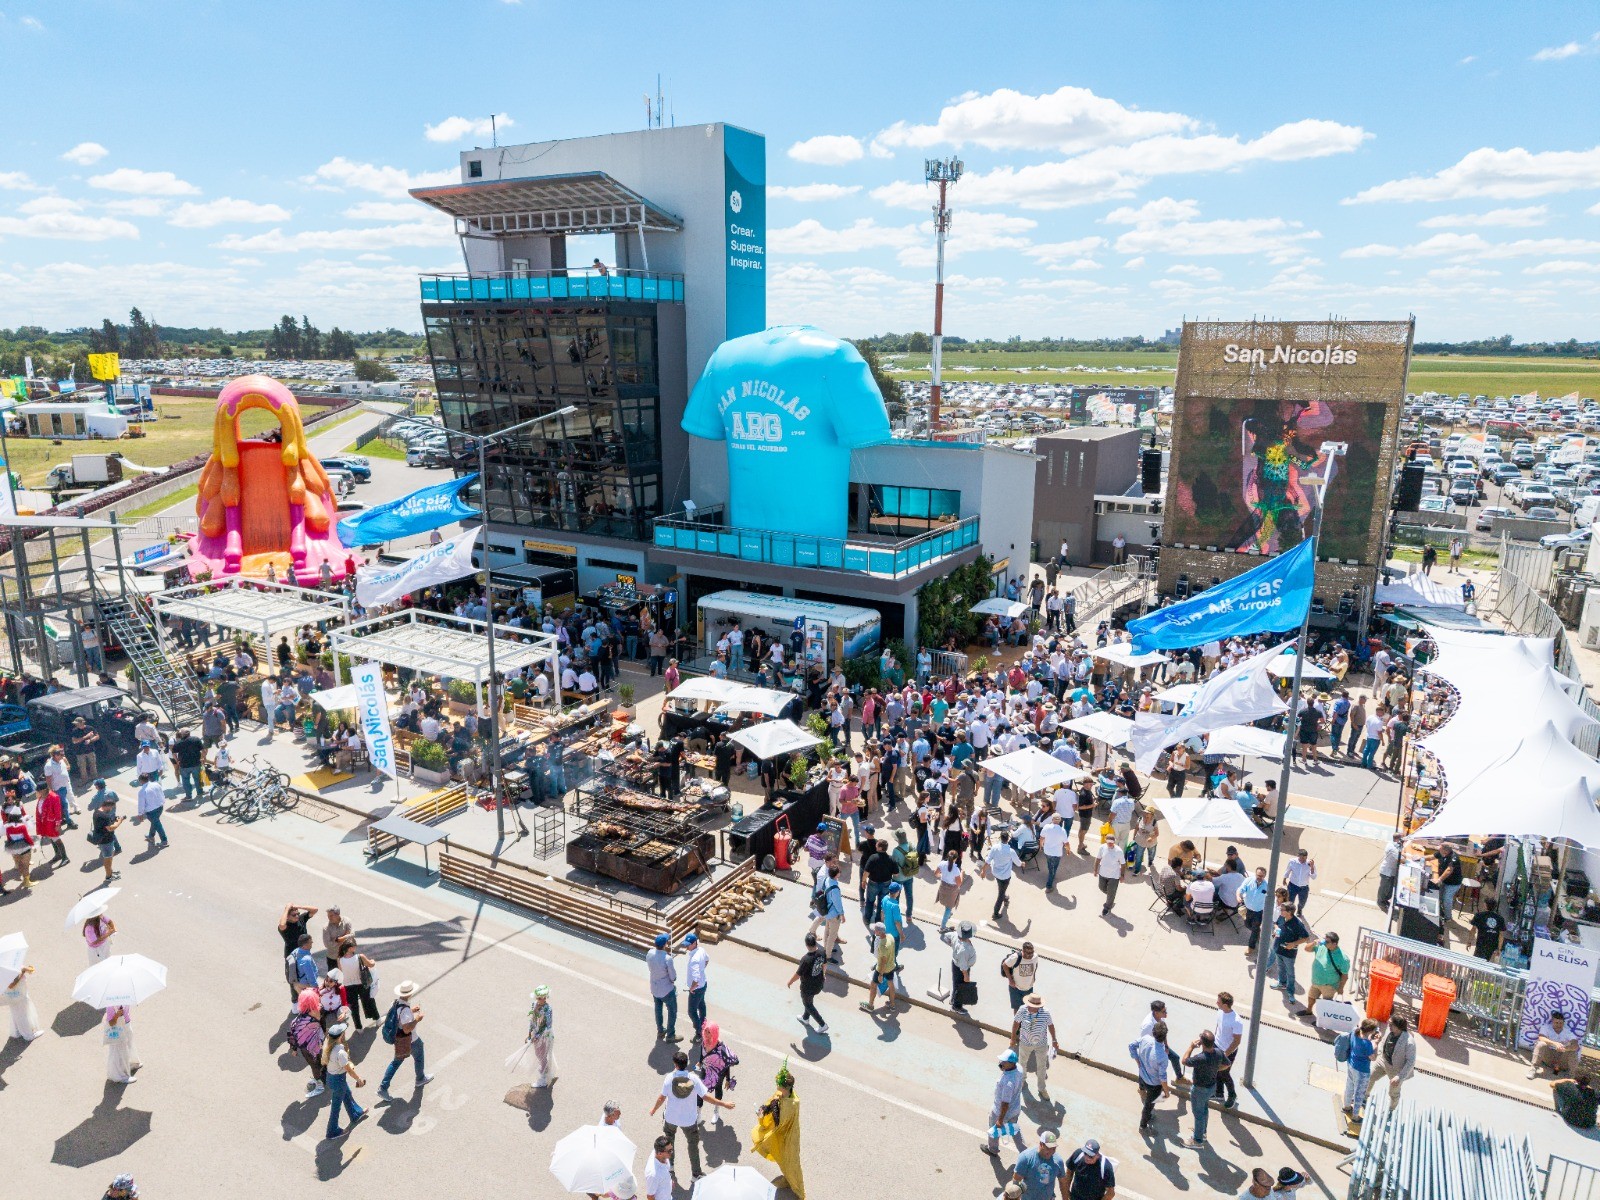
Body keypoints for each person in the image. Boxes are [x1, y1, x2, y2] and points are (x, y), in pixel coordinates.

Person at [650, 1048, 734, 1184]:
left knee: (669, 1144)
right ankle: (696, 1174)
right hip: (689, 1120)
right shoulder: (694, 1079)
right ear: (686, 1063)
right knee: (693, 1145)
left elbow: (661, 1098)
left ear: (675, 1064)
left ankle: (670, 1168)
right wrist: (723, 1104)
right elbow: (706, 1097)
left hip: (671, 1118)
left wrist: (654, 1109)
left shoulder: (670, 1078)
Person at [750, 1061, 803, 1197]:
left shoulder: (792, 1103)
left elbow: (780, 1121)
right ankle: (787, 1179)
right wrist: (765, 1109)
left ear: (785, 1087)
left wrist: (773, 1106)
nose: (776, 1086)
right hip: (780, 1135)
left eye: (778, 1084)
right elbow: (773, 1102)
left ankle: (798, 1189)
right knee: (782, 1160)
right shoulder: (783, 1094)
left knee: (790, 1162)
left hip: (788, 1137)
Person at [378, 980, 434, 1099]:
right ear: (410, 994)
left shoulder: (395, 1003)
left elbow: (398, 1016)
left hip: (399, 1040)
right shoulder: (405, 1010)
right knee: (418, 1055)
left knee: (396, 1062)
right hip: (410, 1041)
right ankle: (420, 1079)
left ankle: (383, 1088)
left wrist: (411, 1011)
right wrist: (417, 1019)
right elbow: (407, 1029)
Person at [1011, 992, 1062, 1101]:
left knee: (1042, 1066)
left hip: (1041, 1044)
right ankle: (1022, 1081)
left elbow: (1051, 1026)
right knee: (1022, 1063)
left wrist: (1054, 1040)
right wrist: (1013, 1038)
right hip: (1025, 1042)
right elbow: (1016, 1023)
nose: (1033, 1008)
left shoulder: (1045, 1013)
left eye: (1036, 1006)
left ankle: (1042, 1088)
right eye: (1031, 1006)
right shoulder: (1022, 1010)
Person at [321, 1021, 367, 1139]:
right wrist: (359, 1079)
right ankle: (332, 1131)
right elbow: (349, 1070)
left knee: (347, 1094)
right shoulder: (340, 1052)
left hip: (331, 1077)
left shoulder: (328, 1046)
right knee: (336, 1107)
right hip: (338, 1080)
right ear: (341, 1036)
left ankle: (355, 1114)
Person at [1183, 1029, 1227, 1147]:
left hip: (1199, 1090)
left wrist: (1191, 1047)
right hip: (1211, 1088)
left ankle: (1197, 1140)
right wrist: (1216, 1069)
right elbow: (1227, 1064)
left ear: (1202, 1043)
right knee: (1204, 1110)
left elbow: (1184, 1061)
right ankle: (1202, 1132)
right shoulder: (1219, 1052)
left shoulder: (1200, 1058)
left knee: (1198, 1114)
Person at [981, 1051, 1026, 1158]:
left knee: (994, 1130)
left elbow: (1005, 1103)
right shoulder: (1019, 1069)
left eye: (1004, 1062)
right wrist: (1003, 1067)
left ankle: (992, 1149)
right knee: (1014, 1130)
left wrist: (1000, 1120)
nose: (1001, 1063)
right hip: (1015, 1109)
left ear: (1011, 1063)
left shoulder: (1008, 1082)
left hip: (1001, 1111)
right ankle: (1025, 1153)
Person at [1129, 1020, 1171, 1132]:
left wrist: (1137, 1060)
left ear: (1153, 1032)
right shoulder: (1163, 1056)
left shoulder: (1145, 1039)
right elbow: (1162, 1077)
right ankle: (1143, 1126)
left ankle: (1142, 1092)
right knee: (1149, 1106)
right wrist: (1166, 1091)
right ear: (1165, 1036)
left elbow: (1131, 1045)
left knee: (1146, 1098)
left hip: (1142, 1075)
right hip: (1154, 1085)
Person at [1271, 902, 1314, 1007]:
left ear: (1289, 912)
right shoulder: (1282, 917)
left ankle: (1290, 992)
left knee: (1290, 973)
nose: (1280, 911)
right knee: (1280, 968)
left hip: (1289, 953)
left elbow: (1306, 938)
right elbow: (1276, 924)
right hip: (1278, 949)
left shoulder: (1297, 924)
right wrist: (1276, 929)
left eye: (1282, 910)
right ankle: (1281, 983)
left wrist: (1293, 944)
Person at [787, 932, 829, 1033]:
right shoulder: (822, 952)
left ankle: (822, 1024)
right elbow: (825, 964)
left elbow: (798, 974)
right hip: (819, 984)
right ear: (815, 942)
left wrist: (790, 982)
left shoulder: (806, 959)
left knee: (808, 1004)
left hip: (807, 987)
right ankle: (805, 1018)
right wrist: (823, 974)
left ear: (806, 945)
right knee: (809, 1001)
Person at [1010, 1130, 1070, 1200]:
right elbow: (1016, 1182)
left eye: (1053, 1149)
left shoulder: (1058, 1161)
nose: (1051, 1152)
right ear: (1041, 1144)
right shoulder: (1025, 1158)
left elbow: (1063, 1183)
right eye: (1048, 1148)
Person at [696, 1022, 738, 1122]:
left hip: (718, 1073)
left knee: (718, 1089)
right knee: (700, 1090)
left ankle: (716, 1111)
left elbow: (727, 1064)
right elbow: (702, 1055)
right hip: (705, 1069)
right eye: (705, 1030)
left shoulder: (721, 1048)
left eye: (709, 1032)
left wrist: (727, 1079)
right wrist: (700, 1062)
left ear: (714, 1033)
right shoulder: (704, 1041)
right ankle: (698, 1113)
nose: (706, 1034)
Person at [1341, 1017, 1378, 1117]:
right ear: (1371, 1031)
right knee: (1359, 1093)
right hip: (1362, 1070)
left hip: (1351, 1064)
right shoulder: (1367, 1044)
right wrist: (1376, 1044)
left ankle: (1346, 1106)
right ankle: (1355, 1116)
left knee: (1349, 1087)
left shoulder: (1354, 1032)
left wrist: (1370, 1039)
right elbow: (1373, 1058)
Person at [647, 932, 680, 1041]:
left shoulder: (650, 953)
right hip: (666, 990)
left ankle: (660, 1030)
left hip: (654, 987)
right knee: (672, 1010)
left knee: (658, 1009)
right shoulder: (667, 959)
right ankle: (670, 1035)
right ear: (665, 944)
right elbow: (673, 977)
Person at [1529, 1010, 1580, 1079]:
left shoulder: (1567, 1031)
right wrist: (1555, 1043)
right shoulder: (1546, 1027)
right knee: (1541, 1044)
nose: (1558, 1025)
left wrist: (1565, 1049)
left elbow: (1576, 1045)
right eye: (1556, 1023)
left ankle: (1572, 1076)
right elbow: (1541, 1038)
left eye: (1561, 1023)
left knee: (1573, 1051)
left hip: (1562, 1059)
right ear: (1552, 1021)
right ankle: (1533, 1069)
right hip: (1549, 1057)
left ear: (1564, 1023)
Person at [1305, 931, 1350, 1008]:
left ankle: (1322, 1016)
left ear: (1334, 944)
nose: (1324, 942)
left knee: (1325, 1004)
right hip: (1316, 981)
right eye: (1324, 940)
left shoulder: (1343, 958)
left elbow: (1344, 975)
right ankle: (1309, 1011)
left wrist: (1341, 988)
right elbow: (1306, 949)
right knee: (1311, 997)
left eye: (1327, 941)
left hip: (1329, 985)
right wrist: (1314, 943)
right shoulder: (1321, 947)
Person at [943, 920, 978, 1016]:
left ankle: (953, 999)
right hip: (962, 969)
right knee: (961, 987)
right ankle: (956, 1006)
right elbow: (963, 966)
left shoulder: (954, 935)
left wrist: (953, 946)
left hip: (956, 964)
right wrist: (966, 975)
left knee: (956, 984)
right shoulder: (964, 950)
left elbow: (945, 937)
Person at [90, 792, 123, 882]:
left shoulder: (97, 812)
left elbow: (104, 825)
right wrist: (119, 821)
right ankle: (109, 876)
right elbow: (111, 828)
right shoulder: (104, 816)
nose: (111, 809)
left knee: (109, 856)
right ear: (107, 806)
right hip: (106, 841)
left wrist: (112, 820)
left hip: (103, 840)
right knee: (108, 860)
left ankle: (110, 872)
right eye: (111, 807)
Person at [4, 962, 41, 1041]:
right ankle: (28, 1035)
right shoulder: (5, 968)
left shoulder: (6, 964)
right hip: (18, 995)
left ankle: (17, 1031)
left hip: (13, 995)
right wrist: (22, 971)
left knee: (16, 1013)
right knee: (23, 1014)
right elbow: (11, 985)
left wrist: (26, 969)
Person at [684, 932, 709, 1043]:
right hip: (704, 984)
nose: (686, 946)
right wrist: (702, 969)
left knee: (691, 1011)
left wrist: (692, 988)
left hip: (697, 989)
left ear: (694, 943)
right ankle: (703, 1024)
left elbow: (696, 978)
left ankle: (700, 1032)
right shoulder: (701, 950)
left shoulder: (694, 959)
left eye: (688, 944)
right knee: (701, 1005)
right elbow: (707, 959)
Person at [104, 1004, 140, 1083]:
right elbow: (111, 1023)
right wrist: (117, 1015)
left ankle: (130, 1064)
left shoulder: (126, 1000)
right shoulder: (110, 1005)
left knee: (129, 1045)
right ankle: (119, 1076)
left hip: (126, 1025)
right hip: (117, 1029)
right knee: (118, 1051)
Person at [1003, 942, 1042, 1012]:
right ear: (1023, 951)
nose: (1030, 955)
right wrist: (1010, 980)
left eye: (1032, 952)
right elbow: (1005, 965)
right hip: (1015, 988)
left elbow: (1036, 965)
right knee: (1017, 1009)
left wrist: (1034, 976)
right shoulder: (1015, 957)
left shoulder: (1035, 956)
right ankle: (1016, 1020)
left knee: (1028, 1008)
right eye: (1028, 953)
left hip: (1029, 988)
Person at [134, 773, 169, 849]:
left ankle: (164, 841)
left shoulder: (142, 791)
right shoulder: (156, 784)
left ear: (140, 781)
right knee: (155, 823)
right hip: (160, 807)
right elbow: (162, 794)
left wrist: (140, 814)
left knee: (157, 825)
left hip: (151, 811)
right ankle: (151, 836)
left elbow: (141, 804)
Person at [1096, 832, 1124, 915]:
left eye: (1112, 843)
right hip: (1102, 873)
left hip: (1114, 876)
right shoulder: (1102, 848)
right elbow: (1098, 859)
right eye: (1108, 843)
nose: (1110, 844)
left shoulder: (1119, 851)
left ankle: (1107, 907)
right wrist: (1095, 870)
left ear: (1114, 842)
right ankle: (1111, 897)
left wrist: (1122, 875)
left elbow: (1123, 864)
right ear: (1106, 841)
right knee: (1101, 887)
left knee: (1111, 892)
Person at [936, 849, 964, 931]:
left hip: (942, 886)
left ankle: (948, 914)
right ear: (956, 859)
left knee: (946, 903)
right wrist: (962, 874)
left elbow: (936, 873)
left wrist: (942, 876)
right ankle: (942, 927)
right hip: (952, 890)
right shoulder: (956, 870)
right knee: (949, 907)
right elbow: (959, 883)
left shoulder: (942, 864)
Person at [1284, 848, 1316, 914]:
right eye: (1301, 858)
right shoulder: (1292, 861)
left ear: (1306, 857)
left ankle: (1299, 909)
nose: (1302, 860)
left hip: (1304, 888)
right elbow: (1288, 870)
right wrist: (1284, 879)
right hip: (1292, 886)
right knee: (1290, 901)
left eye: (1304, 858)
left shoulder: (1310, 864)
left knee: (1302, 902)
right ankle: (1290, 913)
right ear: (1298, 856)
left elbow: (1313, 877)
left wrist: (1312, 867)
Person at [643, 1135, 674, 1200]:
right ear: (659, 1154)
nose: (672, 1152)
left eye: (672, 1149)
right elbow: (650, 1196)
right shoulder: (653, 1174)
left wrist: (669, 1182)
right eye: (669, 1151)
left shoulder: (660, 1154)